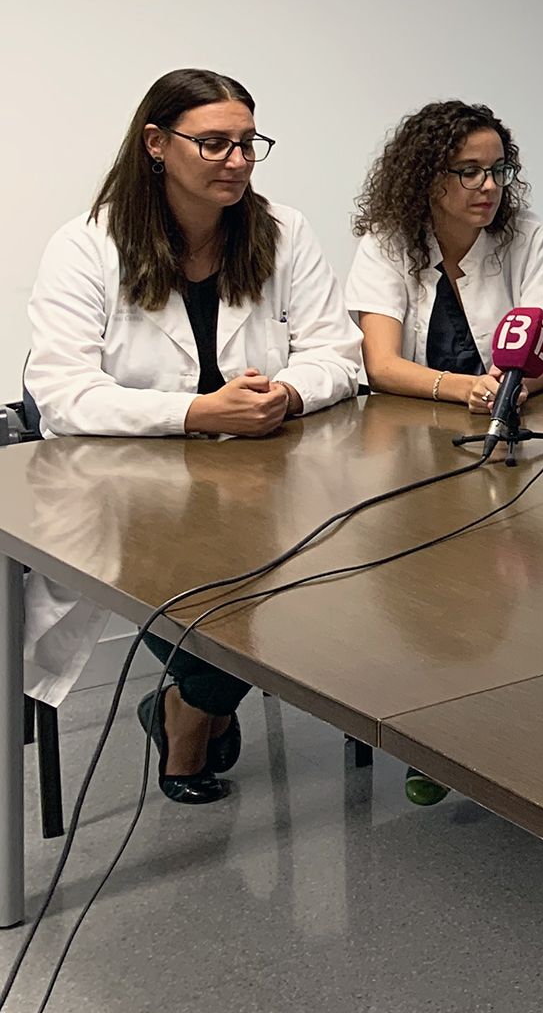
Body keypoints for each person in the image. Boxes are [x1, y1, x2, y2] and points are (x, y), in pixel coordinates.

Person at [25, 68, 363, 804]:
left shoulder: (283, 232)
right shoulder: (86, 245)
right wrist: (198, 412)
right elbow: (62, 391)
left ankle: (183, 708)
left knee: (313, 583)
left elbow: (338, 353)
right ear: (156, 143)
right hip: (128, 489)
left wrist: (286, 392)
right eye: (214, 144)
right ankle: (188, 725)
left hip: (264, 476)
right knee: (222, 606)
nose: (237, 161)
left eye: (248, 143)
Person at [347, 100, 543, 411]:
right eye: (470, 172)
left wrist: (509, 388)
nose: (490, 186)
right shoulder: (386, 242)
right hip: (415, 418)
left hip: (508, 414)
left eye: (498, 170)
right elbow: (382, 366)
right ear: (427, 178)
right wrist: (468, 388)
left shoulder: (529, 236)